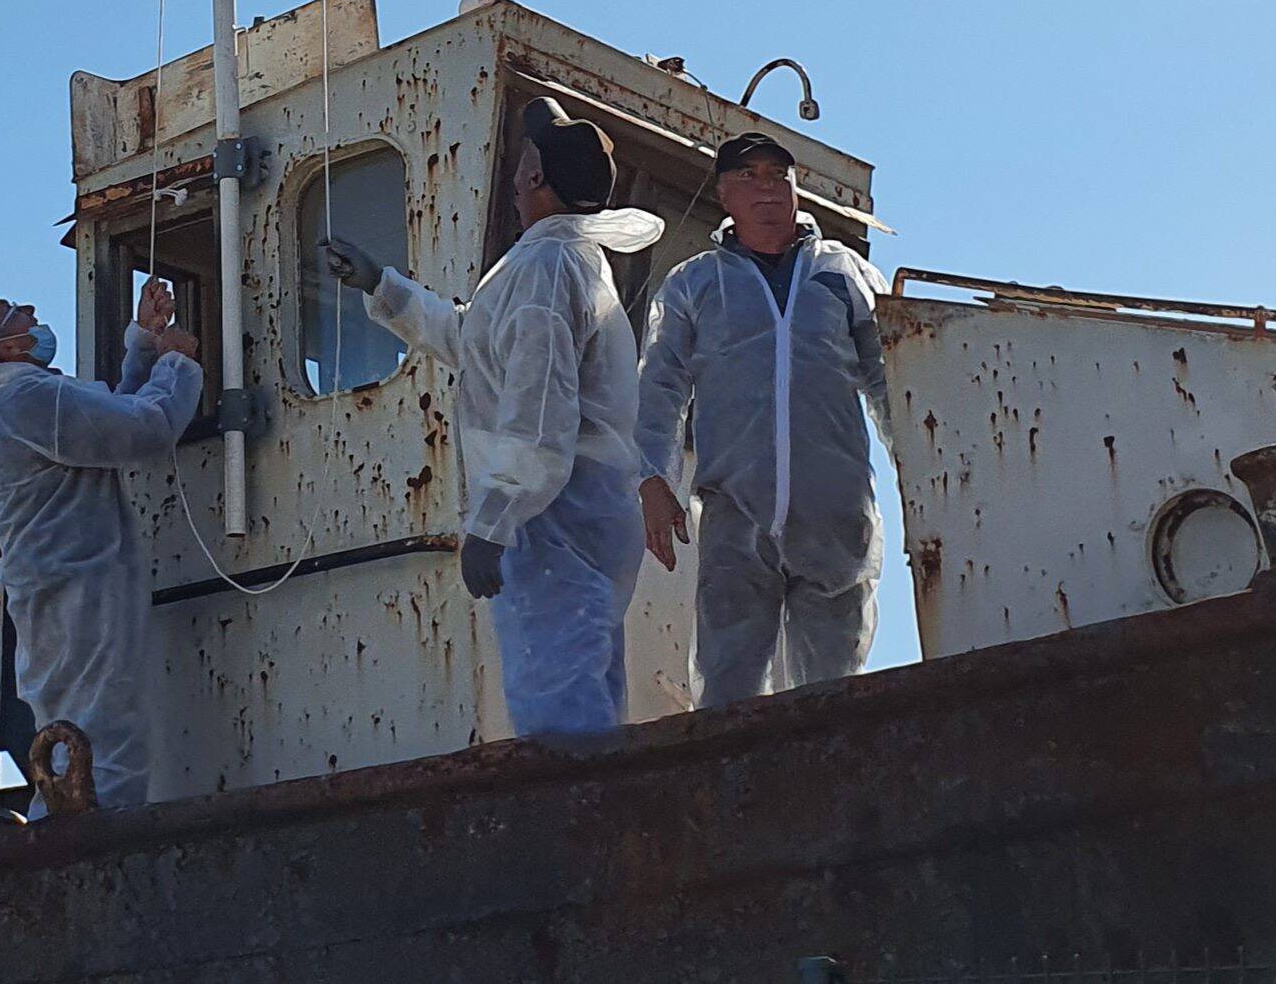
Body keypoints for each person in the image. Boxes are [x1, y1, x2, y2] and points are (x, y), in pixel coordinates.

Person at [324, 96, 663, 738]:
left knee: (558, 715)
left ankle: (576, 830)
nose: (514, 172)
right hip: (577, 519)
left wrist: (494, 520)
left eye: (526, 159)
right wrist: (384, 288)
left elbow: (538, 411)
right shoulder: (564, 262)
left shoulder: (543, 269)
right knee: (589, 693)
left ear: (535, 177)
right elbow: (477, 349)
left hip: (550, 524)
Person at [635, 131, 894, 709]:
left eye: (778, 174)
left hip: (836, 516)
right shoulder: (694, 283)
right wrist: (653, 479)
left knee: (838, 693)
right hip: (735, 517)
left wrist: (926, 476)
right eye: (748, 176)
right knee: (729, 690)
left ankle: (833, 795)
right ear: (724, 194)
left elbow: (888, 379)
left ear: (797, 192)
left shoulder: (845, 275)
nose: (766, 187)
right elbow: (659, 387)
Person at [0, 280, 200, 809]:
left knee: (77, 732)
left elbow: (109, 416)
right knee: (102, 741)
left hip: (62, 589)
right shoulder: (27, 398)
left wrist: (146, 344)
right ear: (8, 349)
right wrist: (176, 365)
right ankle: (90, 858)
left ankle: (63, 839)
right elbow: (144, 429)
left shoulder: (20, 398)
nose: (30, 309)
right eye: (11, 312)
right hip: (78, 590)